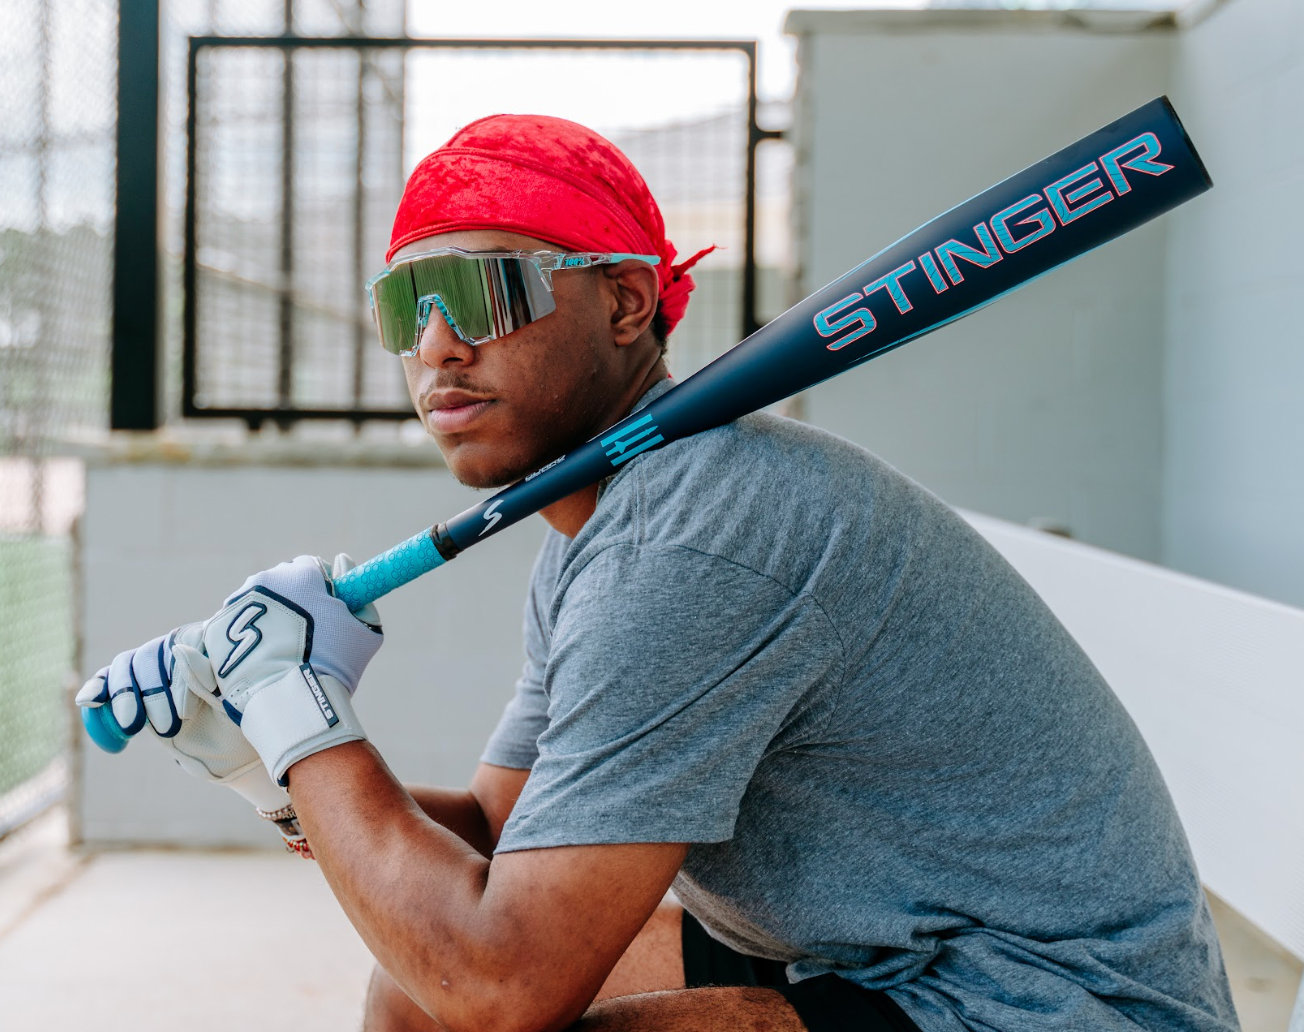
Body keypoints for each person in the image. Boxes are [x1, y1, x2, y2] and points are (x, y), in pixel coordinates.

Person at [77, 114, 1240, 1032]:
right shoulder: (609, 531)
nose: (435, 345)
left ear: (625, 300)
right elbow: (499, 835)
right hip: (891, 957)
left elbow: (503, 982)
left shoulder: (691, 541)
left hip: (1042, 1004)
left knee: (464, 995)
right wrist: (272, 765)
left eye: (480, 291)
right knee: (416, 991)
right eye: (403, 307)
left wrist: (296, 706)